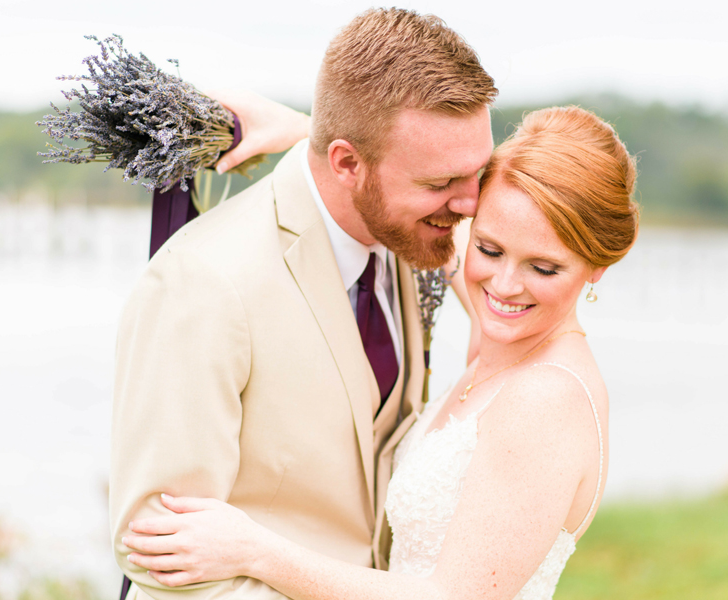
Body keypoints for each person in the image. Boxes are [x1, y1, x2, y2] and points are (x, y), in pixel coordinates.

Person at [122, 103, 640, 600]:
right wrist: (316, 137)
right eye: (489, 249)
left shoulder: (545, 399)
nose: (504, 285)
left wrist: (253, 550)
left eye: (543, 269)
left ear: (597, 268)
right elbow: (402, 200)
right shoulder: (506, 342)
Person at [110, 8, 497, 600]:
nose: (471, 206)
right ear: (346, 163)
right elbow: (167, 568)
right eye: (441, 183)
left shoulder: (411, 235)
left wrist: (299, 129)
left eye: (480, 173)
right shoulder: (203, 284)